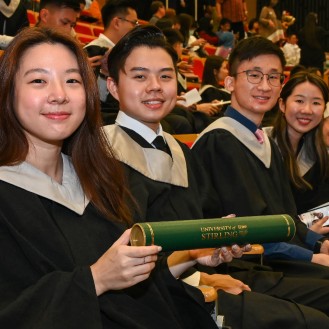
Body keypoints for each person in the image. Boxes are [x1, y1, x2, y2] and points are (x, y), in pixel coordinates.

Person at [0, 26, 244, 329]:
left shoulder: (100, 179)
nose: (59, 95)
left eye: (72, 80)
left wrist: (192, 255)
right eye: (39, 80)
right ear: (9, 92)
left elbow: (140, 287)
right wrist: (95, 279)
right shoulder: (8, 192)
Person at [103, 24, 329, 329]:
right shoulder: (101, 154)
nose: (155, 86)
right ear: (113, 86)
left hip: (196, 278)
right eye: (140, 76)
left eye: (166, 76)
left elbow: (201, 233)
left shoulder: (179, 152)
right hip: (150, 302)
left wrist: (205, 262)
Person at [192, 36, 329, 271]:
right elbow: (252, 232)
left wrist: (319, 244)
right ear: (229, 83)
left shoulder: (263, 142)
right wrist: (312, 257)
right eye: (254, 75)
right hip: (240, 268)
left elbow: (286, 218)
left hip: (275, 258)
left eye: (273, 77)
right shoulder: (221, 141)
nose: (265, 86)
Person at [265, 72, 329, 215]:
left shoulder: (318, 153)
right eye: (299, 101)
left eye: (316, 103)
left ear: (324, 109)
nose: (307, 110)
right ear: (282, 104)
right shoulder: (262, 145)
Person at [84, 0, 139, 125]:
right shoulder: (93, 51)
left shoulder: (124, 52)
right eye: (134, 23)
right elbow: (95, 100)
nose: (136, 27)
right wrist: (104, 73)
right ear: (117, 22)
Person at [0, 0, 81, 48]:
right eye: (64, 22)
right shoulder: (26, 48)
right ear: (44, 15)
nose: (68, 30)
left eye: (72, 25)